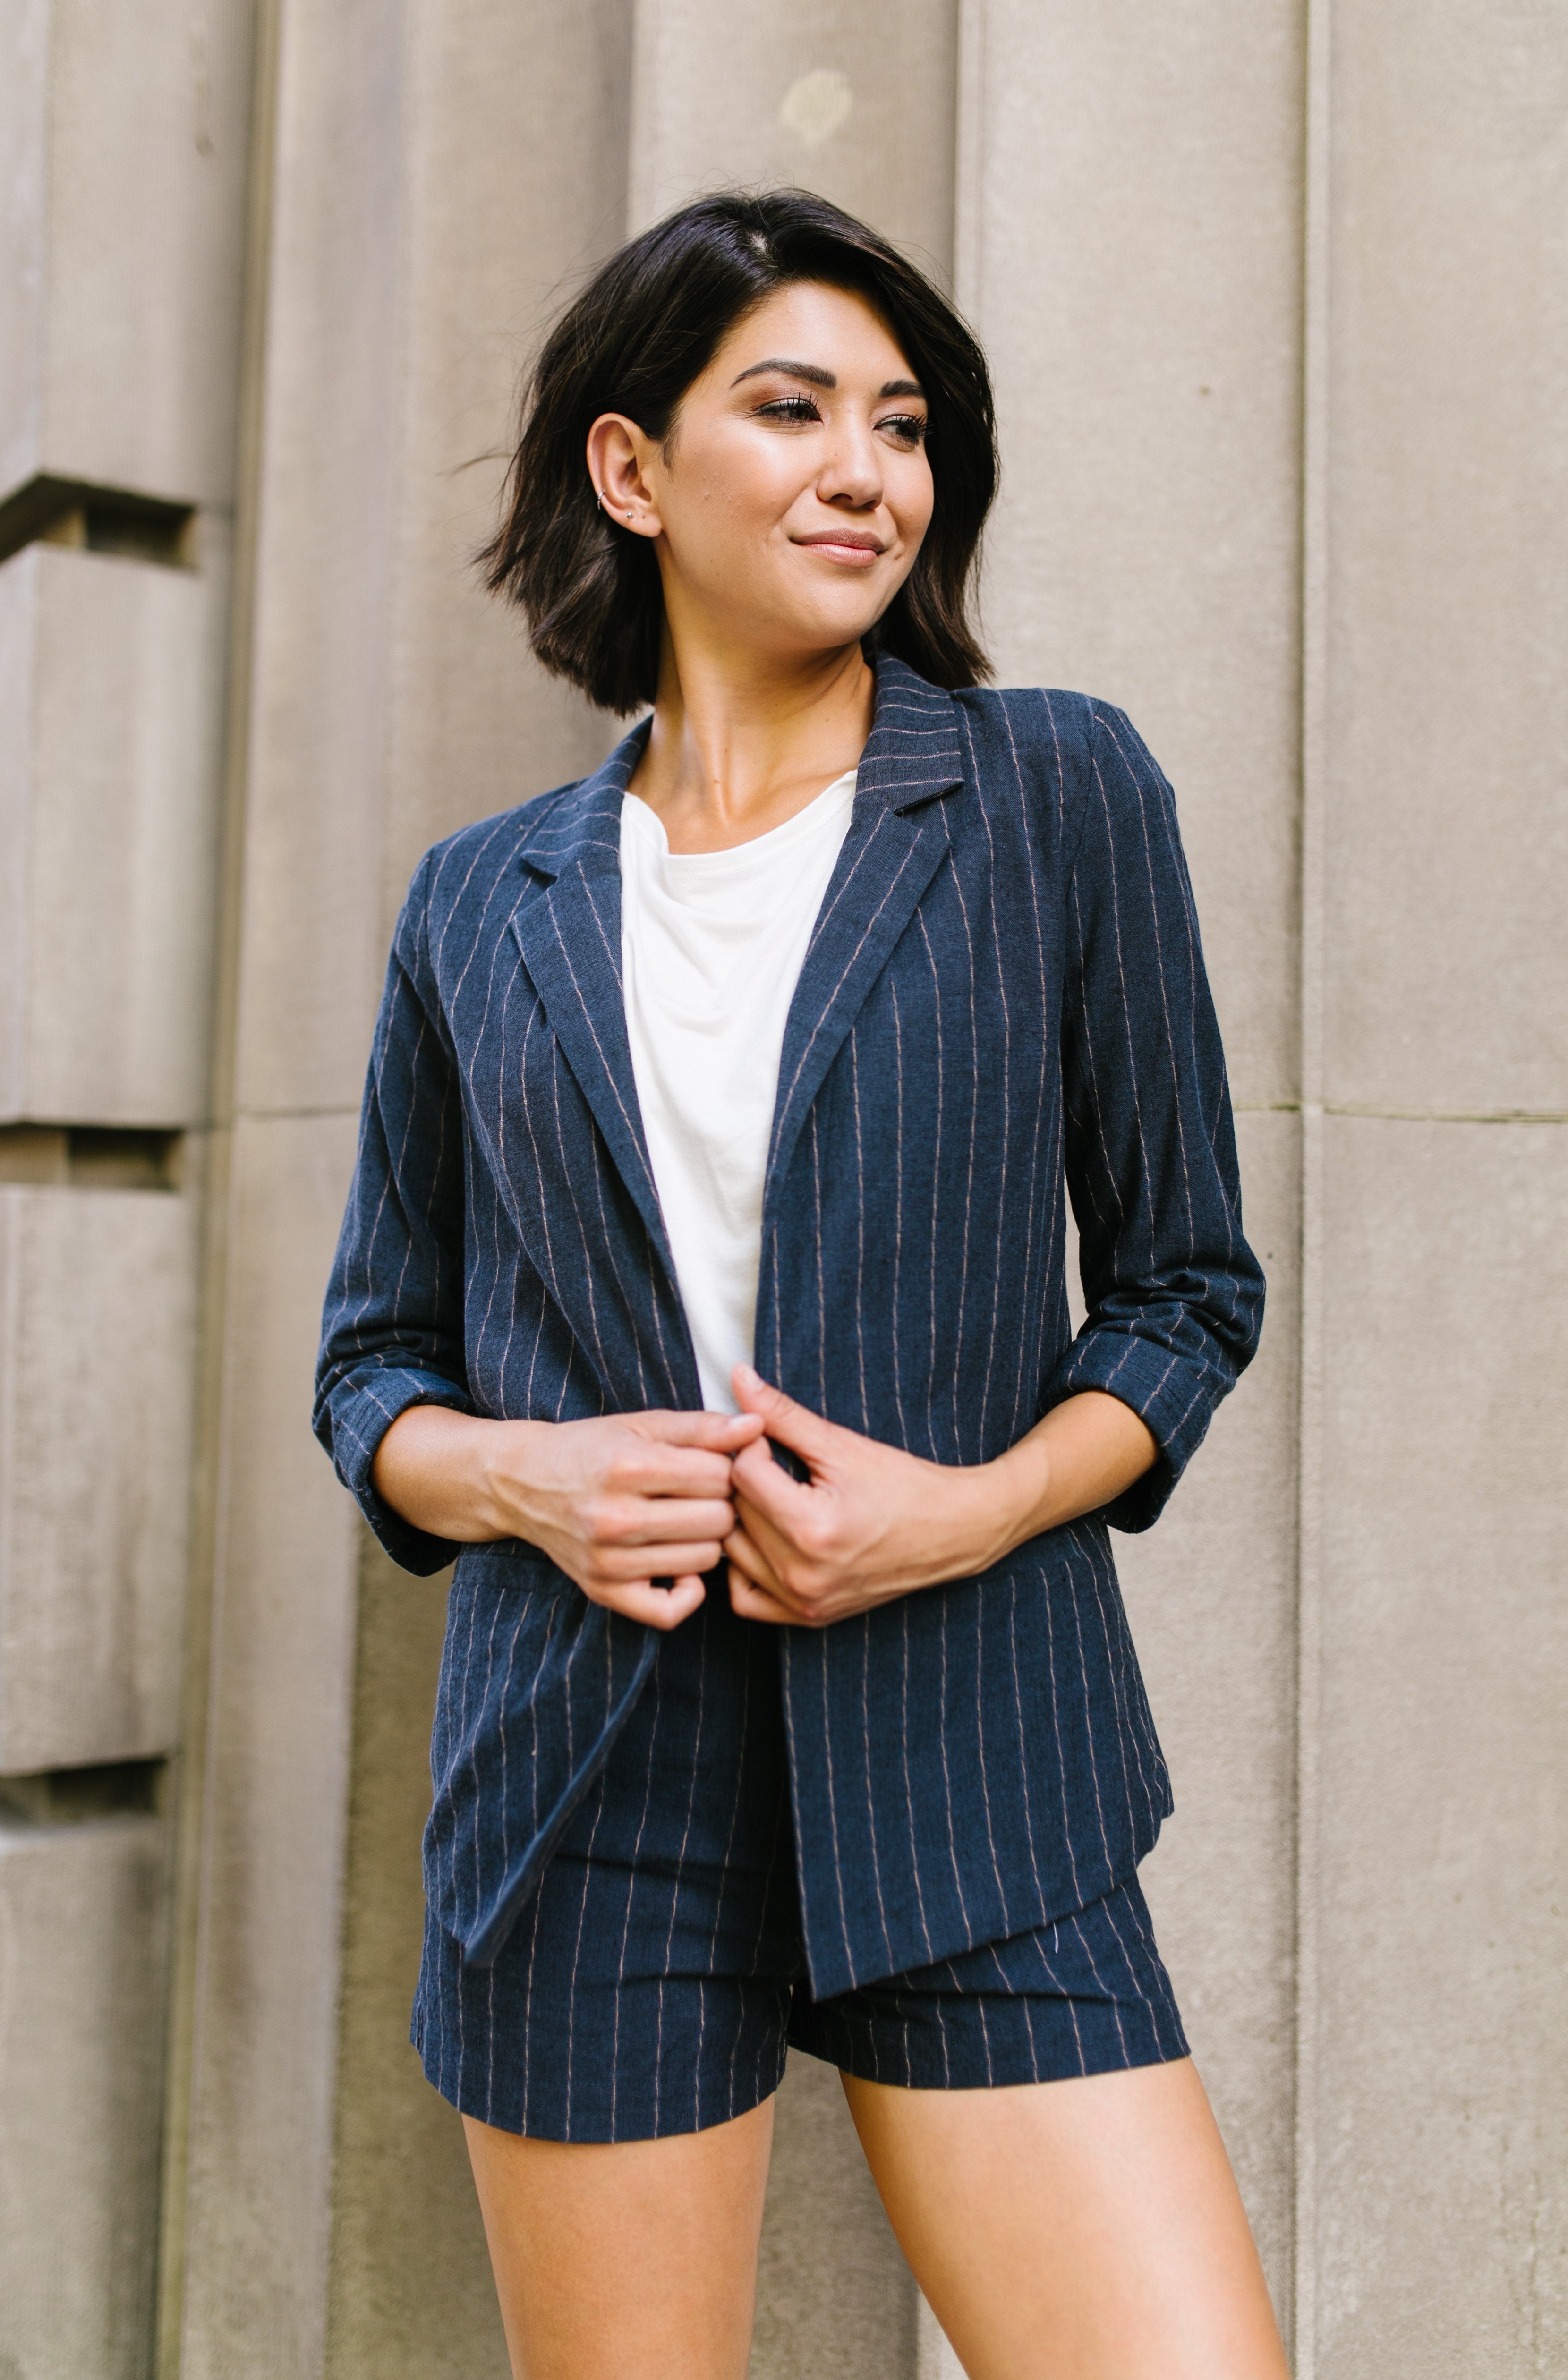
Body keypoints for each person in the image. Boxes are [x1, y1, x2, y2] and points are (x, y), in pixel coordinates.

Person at [314, 188, 1286, 2380]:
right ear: (632, 469)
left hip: (976, 1762)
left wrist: (969, 1507)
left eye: (907, 422)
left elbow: (1184, 1290)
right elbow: (376, 1364)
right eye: (793, 408)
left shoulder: (1055, 795)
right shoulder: (484, 904)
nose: (869, 469)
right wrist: (528, 1480)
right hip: (589, 1790)